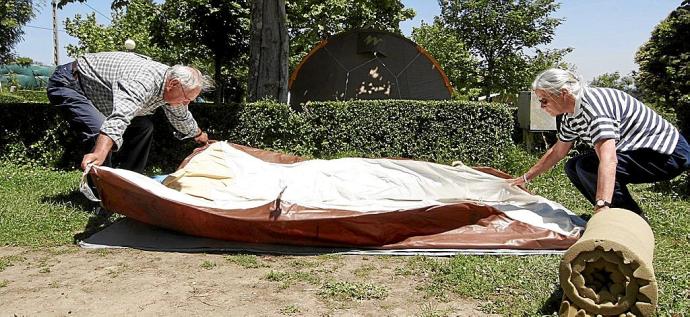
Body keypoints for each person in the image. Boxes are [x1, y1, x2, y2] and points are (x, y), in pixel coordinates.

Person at [510, 68, 690, 217]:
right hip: (642, 151)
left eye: (544, 100)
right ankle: (613, 214)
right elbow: (558, 151)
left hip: (669, 155)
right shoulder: (571, 115)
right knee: (573, 166)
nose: (541, 106)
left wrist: (602, 204)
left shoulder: (594, 109)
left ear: (563, 94)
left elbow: (609, 160)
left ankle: (628, 218)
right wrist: (525, 178)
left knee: (587, 166)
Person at [47, 51, 213, 173]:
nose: (186, 103)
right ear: (173, 84)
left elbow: (181, 117)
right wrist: (99, 153)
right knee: (98, 131)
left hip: (98, 94)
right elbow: (119, 118)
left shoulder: (173, 88)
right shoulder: (143, 81)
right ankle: (103, 197)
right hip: (71, 83)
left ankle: (129, 181)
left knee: (144, 126)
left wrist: (199, 135)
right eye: (186, 99)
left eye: (190, 101)